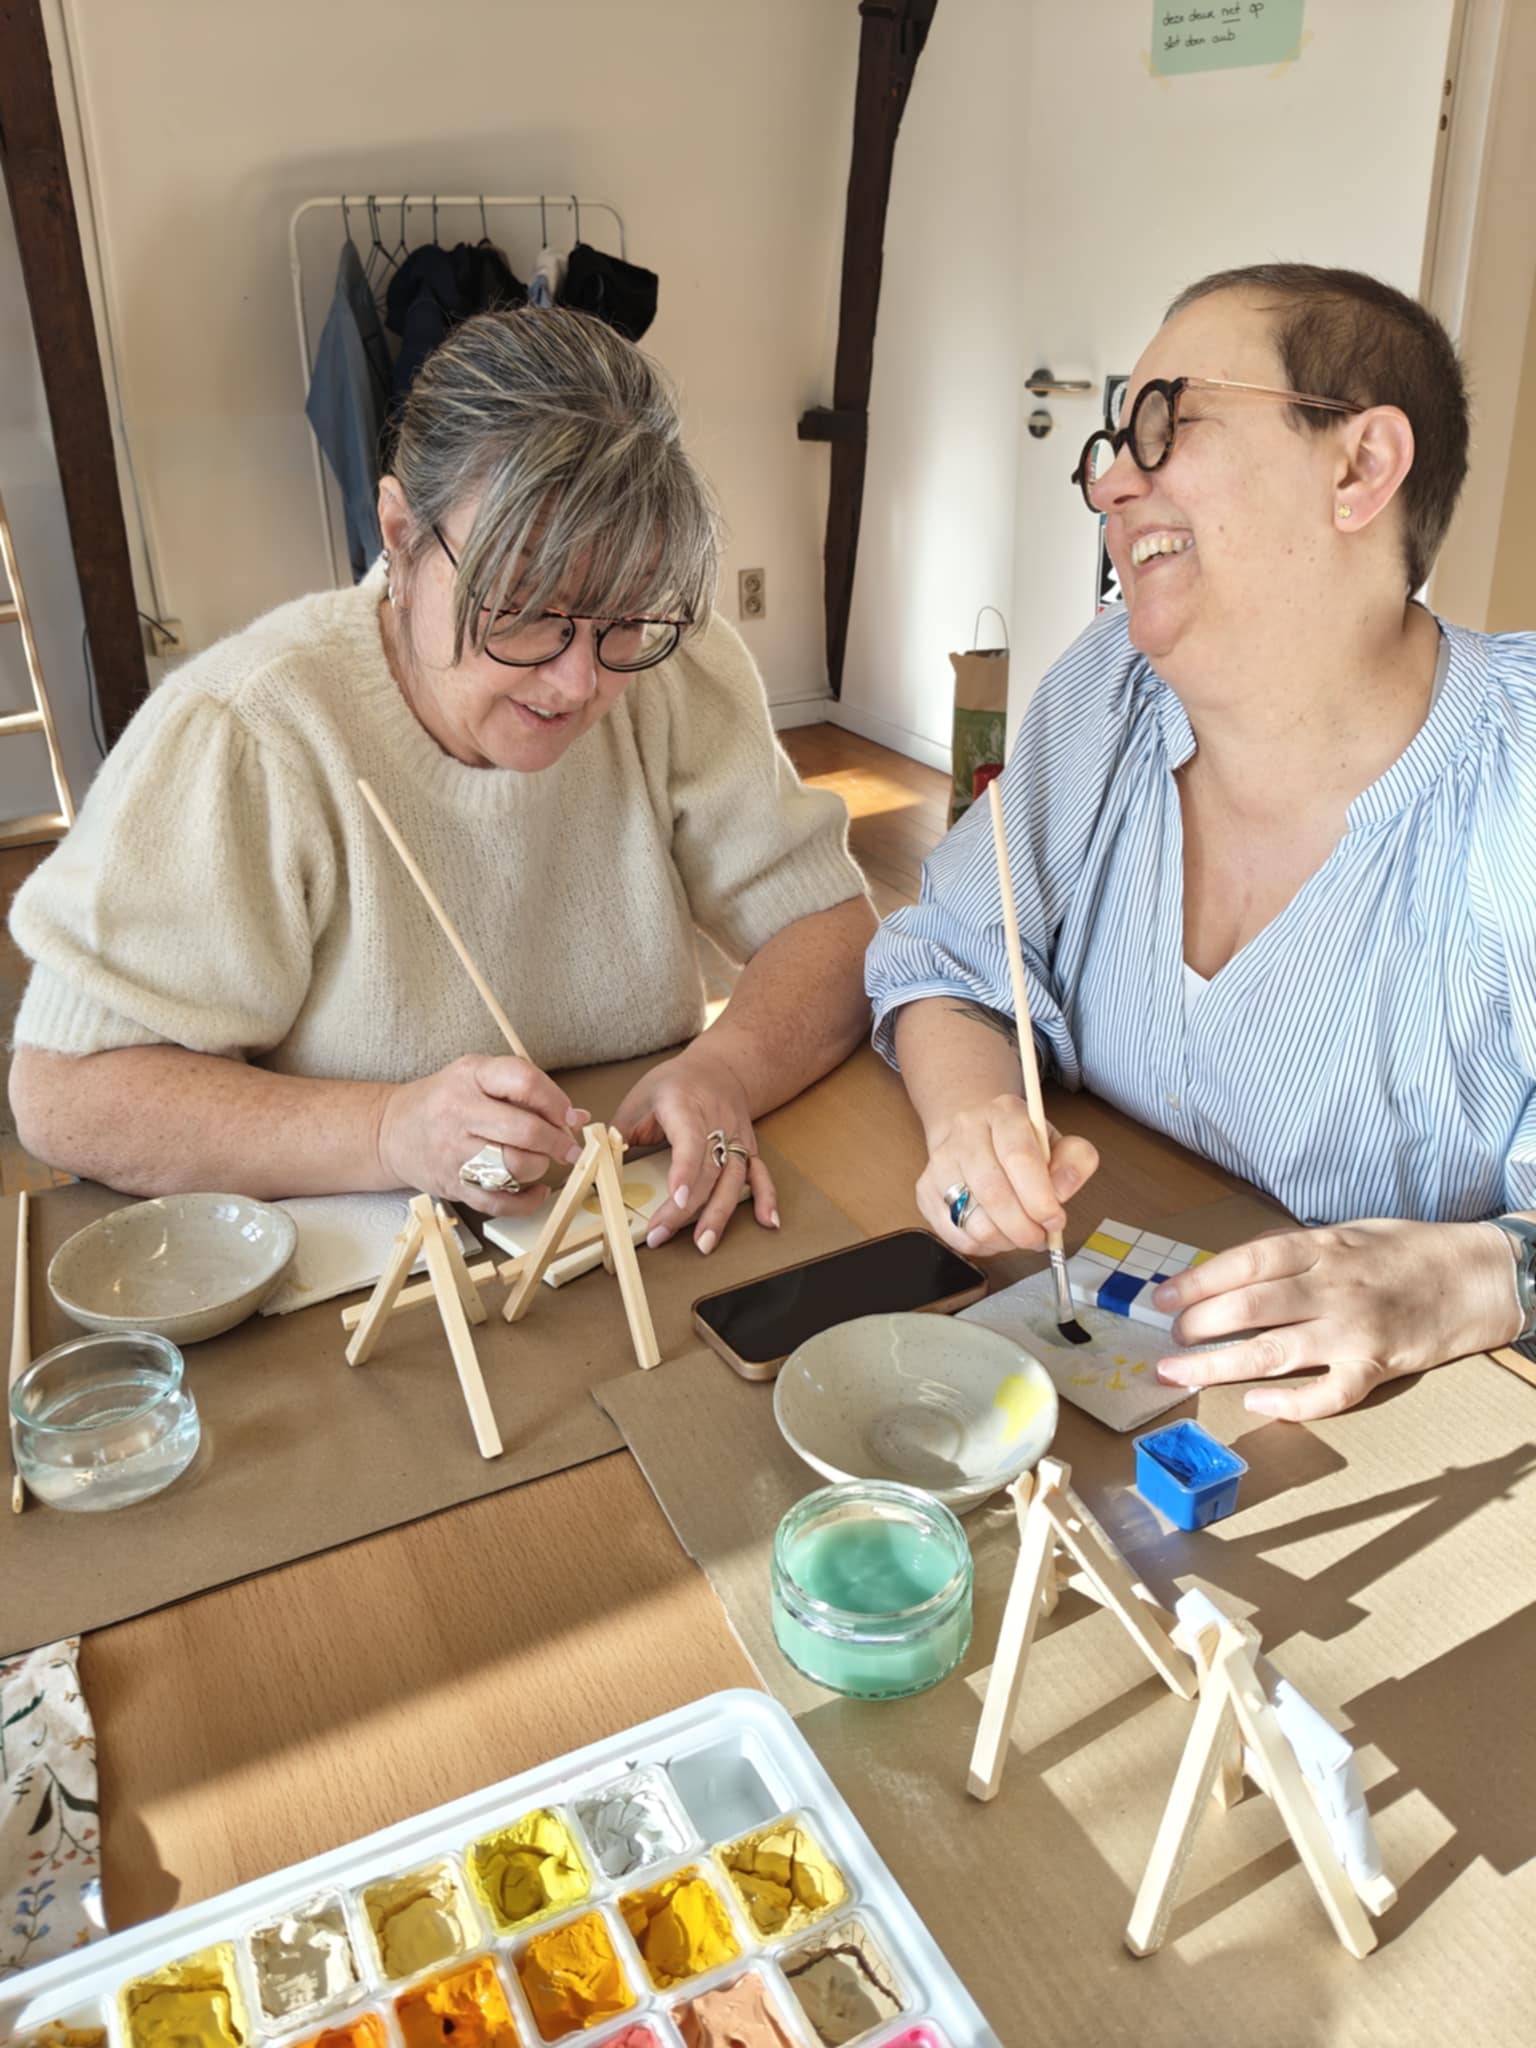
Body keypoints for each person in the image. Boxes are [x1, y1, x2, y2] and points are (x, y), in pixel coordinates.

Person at [9, 308, 875, 1257]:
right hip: (366, 1267)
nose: (580, 683)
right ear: (400, 535)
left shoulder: (671, 670)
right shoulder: (247, 731)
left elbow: (829, 931)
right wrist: (387, 1130)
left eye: (622, 619)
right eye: (525, 609)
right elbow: (65, 1092)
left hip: (629, 1224)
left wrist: (728, 1068)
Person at [866, 263, 1536, 1420]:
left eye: (1166, 421)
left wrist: (1471, 1276)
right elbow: (947, 956)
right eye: (1112, 442)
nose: (1112, 483)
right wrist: (973, 1112)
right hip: (1108, 1379)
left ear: (1360, 466)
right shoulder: (1103, 689)